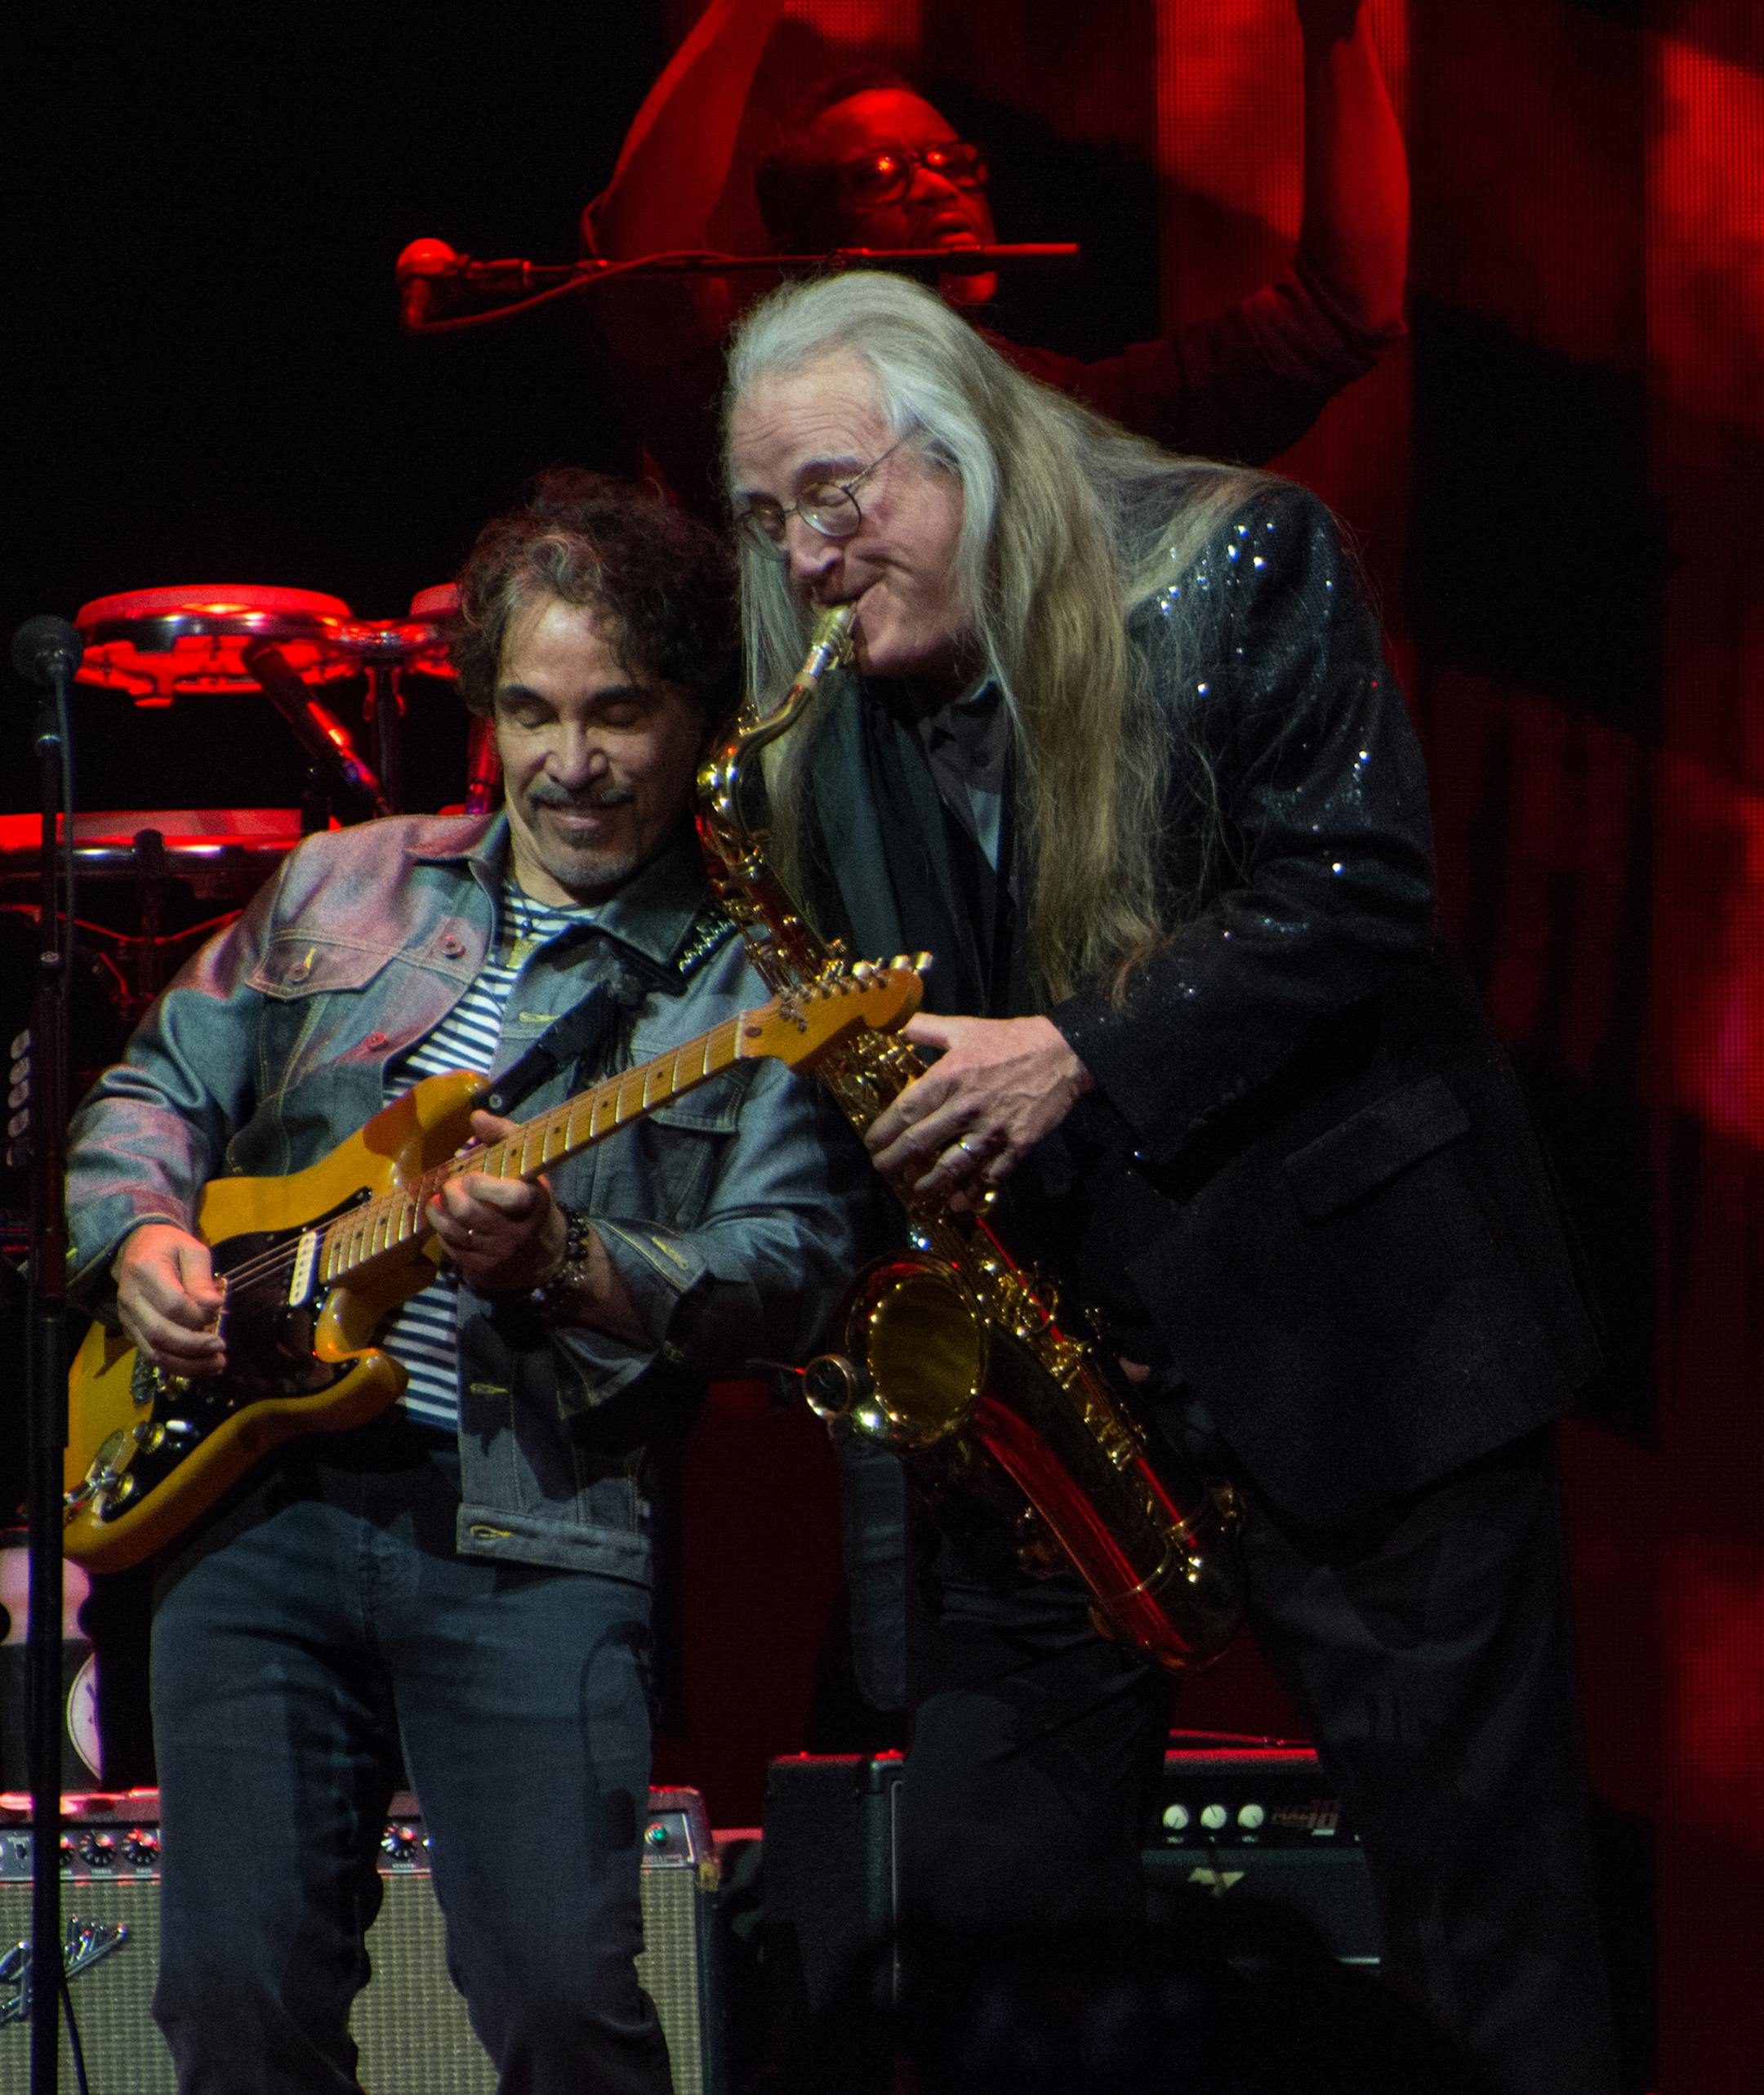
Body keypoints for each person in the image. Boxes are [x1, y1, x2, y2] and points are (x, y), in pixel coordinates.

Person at [719, 270, 1620, 2095]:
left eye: (835, 495)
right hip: (1073, 1417)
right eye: (767, 521)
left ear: (960, 440)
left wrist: (1070, 1048)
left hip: (1361, 1351)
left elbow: (1358, 886)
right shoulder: (826, 734)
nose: (805, 559)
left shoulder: (1239, 556)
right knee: (975, 1918)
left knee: (1485, 1926)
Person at [63, 472, 864, 2094]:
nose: (570, 763)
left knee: (565, 2013)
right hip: (247, 1510)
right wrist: (140, 1236)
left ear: (700, 715)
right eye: (532, 712)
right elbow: (147, 1094)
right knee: (230, 2010)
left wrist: (569, 1258)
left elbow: (790, 1268)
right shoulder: (344, 879)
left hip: (535, 1525)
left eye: (619, 714)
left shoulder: (758, 978)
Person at [588, 0, 1409, 511]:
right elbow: (640, 256)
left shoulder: (1054, 410)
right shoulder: (757, 407)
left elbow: (1345, 311)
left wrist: (1336, 22)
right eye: (882, 174)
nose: (938, 189)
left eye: (955, 164)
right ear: (804, 251)